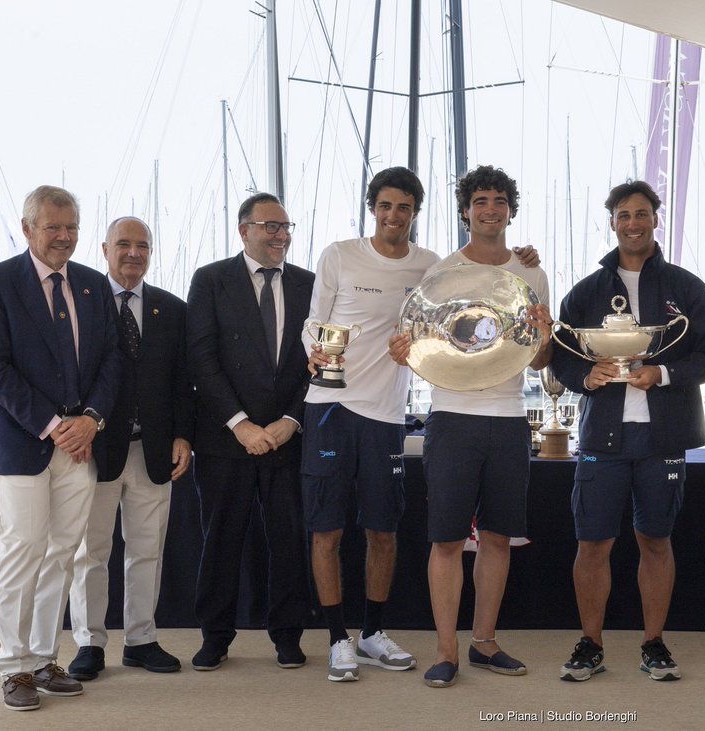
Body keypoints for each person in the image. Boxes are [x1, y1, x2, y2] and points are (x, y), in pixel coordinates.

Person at [304, 167, 541, 682]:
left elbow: (520, 348)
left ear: (416, 213)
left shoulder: (448, 266)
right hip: (340, 406)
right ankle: (351, 640)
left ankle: (391, 635)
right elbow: (317, 324)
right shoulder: (367, 259)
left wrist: (528, 274)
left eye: (404, 208)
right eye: (386, 206)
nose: (394, 215)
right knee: (332, 530)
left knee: (391, 532)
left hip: (403, 413)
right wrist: (317, 353)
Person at [549, 179, 705, 683]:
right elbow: (561, 355)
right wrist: (586, 377)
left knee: (655, 540)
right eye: (624, 215)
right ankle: (591, 643)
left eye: (641, 214)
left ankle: (653, 642)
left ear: (654, 220)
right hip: (602, 437)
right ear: (612, 223)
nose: (633, 223)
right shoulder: (585, 292)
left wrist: (663, 373)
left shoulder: (687, 288)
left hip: (663, 437)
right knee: (592, 545)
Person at [389, 165, 552, 689]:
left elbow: (539, 360)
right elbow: (420, 346)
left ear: (510, 210)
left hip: (509, 419)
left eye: (499, 201)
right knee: (447, 540)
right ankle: (446, 651)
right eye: (480, 200)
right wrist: (402, 350)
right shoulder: (442, 273)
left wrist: (545, 337)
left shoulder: (532, 274)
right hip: (452, 417)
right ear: (465, 211)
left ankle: (484, 642)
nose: (490, 209)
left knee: (498, 538)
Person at [0, 185, 121, 711]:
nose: (64, 237)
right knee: (21, 551)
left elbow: (112, 361)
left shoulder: (92, 285)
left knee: (62, 554)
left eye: (72, 227)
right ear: (27, 228)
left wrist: (91, 420)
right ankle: (13, 667)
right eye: (53, 227)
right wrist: (56, 426)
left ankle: (42, 659)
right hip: (22, 444)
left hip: (81, 446)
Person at [185, 192, 313, 671]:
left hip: (286, 437)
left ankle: (288, 635)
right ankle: (215, 636)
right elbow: (201, 359)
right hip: (226, 439)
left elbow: (321, 361)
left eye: (286, 227)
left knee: (289, 542)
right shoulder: (210, 279)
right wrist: (240, 425)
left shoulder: (309, 285)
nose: (281, 236)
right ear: (244, 230)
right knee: (221, 542)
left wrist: (291, 420)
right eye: (270, 226)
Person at [66, 217, 193, 681]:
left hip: (153, 450)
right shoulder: (82, 302)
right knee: (90, 553)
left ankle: (141, 639)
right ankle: (89, 643)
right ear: (105, 249)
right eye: (124, 244)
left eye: (143, 245)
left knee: (147, 550)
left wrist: (183, 435)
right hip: (93, 451)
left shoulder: (171, 309)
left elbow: (184, 380)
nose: (134, 253)